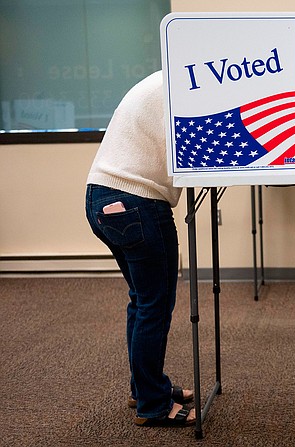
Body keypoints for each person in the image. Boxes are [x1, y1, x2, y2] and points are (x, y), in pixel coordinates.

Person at [85, 71, 195, 427]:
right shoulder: (189, 85)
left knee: (142, 300)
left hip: (100, 197)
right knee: (155, 305)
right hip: (138, 202)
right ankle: (153, 405)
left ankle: (145, 388)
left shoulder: (164, 79)